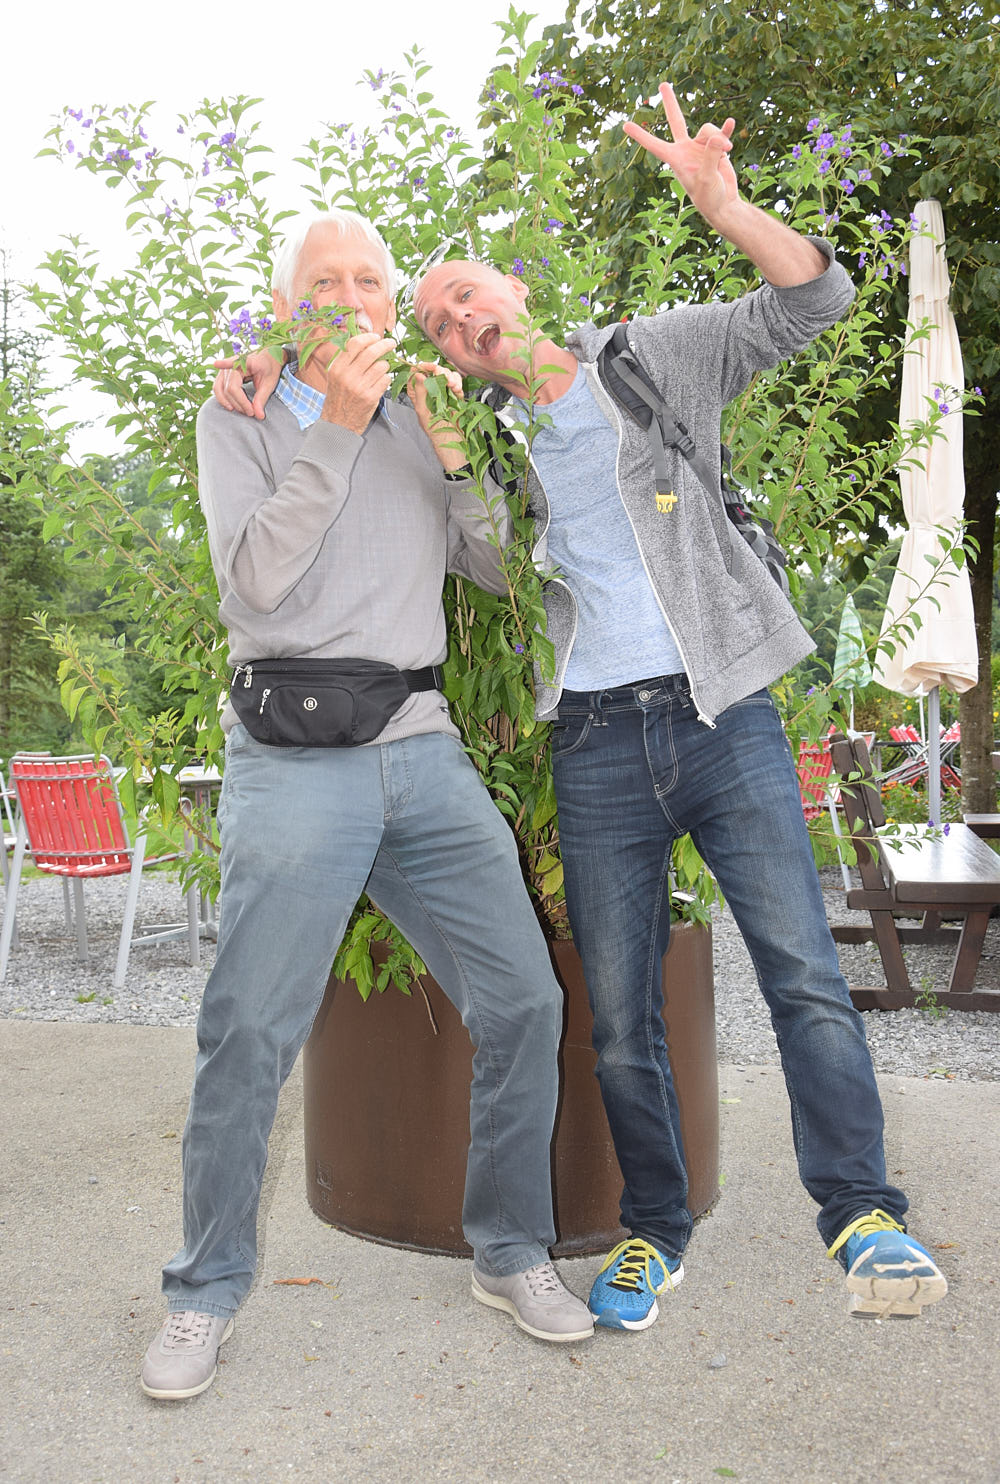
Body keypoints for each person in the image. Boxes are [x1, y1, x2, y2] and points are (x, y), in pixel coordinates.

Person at [216, 90, 950, 1332]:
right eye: (437, 320)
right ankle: (653, 1230)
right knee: (617, 1020)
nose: (458, 320)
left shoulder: (645, 360)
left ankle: (861, 1210)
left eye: (467, 294)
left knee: (803, 976)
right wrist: (275, 361)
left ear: (515, 290)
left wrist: (726, 208)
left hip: (723, 712)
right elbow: (486, 559)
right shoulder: (481, 440)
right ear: (444, 355)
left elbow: (813, 301)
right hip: (598, 738)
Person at [141, 210, 595, 1403]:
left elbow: (497, 569)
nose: (348, 297)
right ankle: (203, 1290)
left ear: (393, 305)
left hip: (420, 745)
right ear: (287, 305)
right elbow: (254, 585)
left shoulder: (420, 412)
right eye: (324, 281)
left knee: (525, 1001)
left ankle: (507, 1248)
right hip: (292, 757)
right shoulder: (239, 414)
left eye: (368, 280)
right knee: (249, 1031)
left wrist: (455, 462)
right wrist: (334, 426)